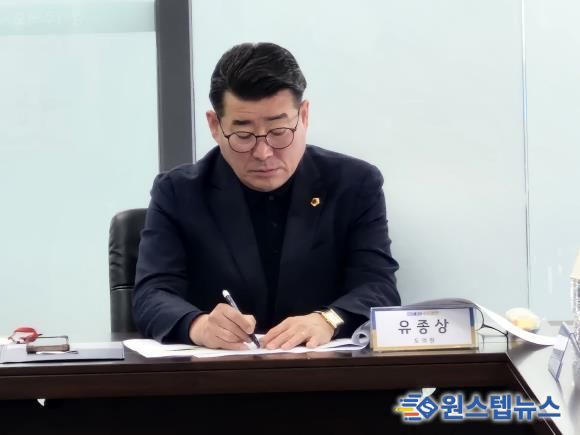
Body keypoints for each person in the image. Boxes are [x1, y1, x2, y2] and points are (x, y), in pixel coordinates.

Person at [133, 42, 400, 350]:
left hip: (323, 372)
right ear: (215, 126)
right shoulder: (178, 193)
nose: (263, 152)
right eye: (243, 135)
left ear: (304, 116)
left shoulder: (354, 184)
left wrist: (328, 320)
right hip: (216, 374)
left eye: (279, 131)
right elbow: (152, 294)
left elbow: (378, 287)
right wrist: (199, 326)